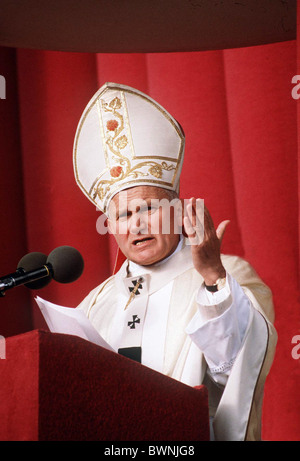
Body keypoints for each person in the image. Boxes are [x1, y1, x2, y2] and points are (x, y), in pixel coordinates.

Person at [73, 82, 277, 441]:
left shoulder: (228, 275)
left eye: (148, 208)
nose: (136, 224)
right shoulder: (94, 304)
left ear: (178, 211)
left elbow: (235, 374)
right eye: (122, 215)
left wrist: (213, 276)